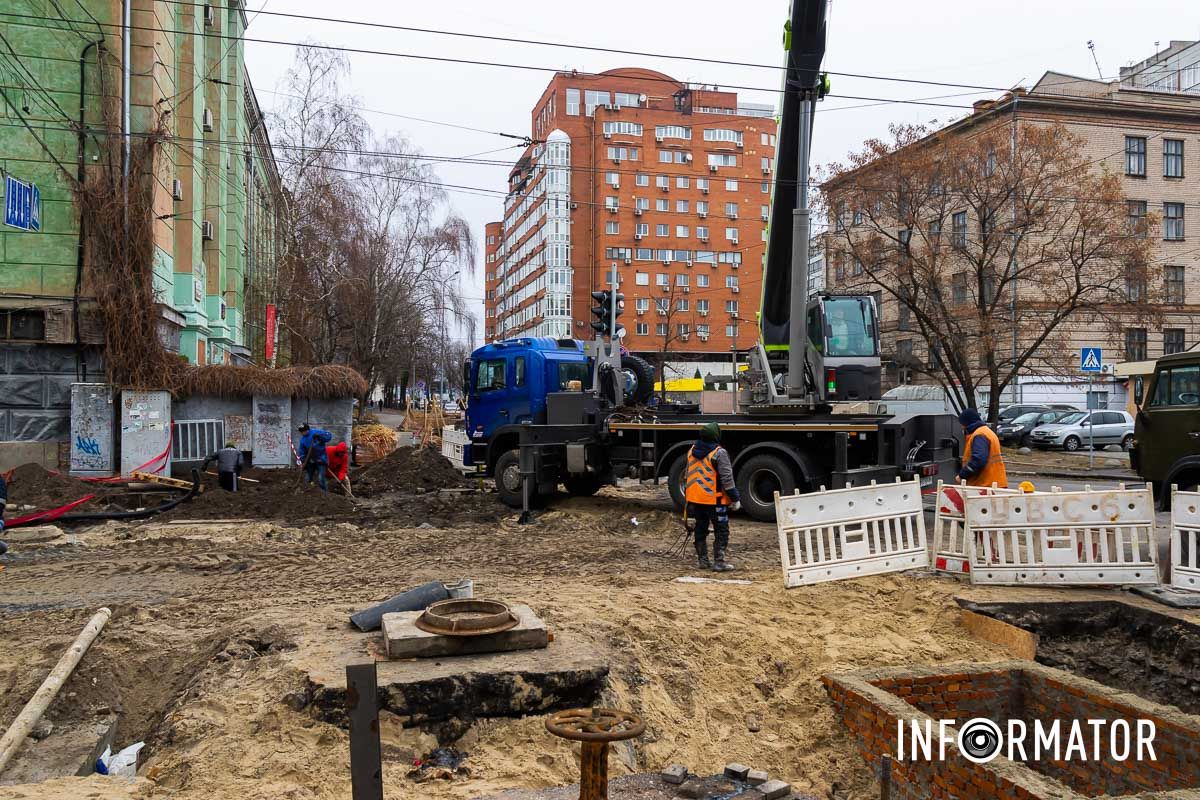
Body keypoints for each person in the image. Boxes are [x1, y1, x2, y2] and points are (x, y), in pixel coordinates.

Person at [683, 422, 742, 572]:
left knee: (700, 528)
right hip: (714, 501)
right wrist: (735, 498)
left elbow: (687, 476)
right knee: (721, 530)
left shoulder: (691, 451)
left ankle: (703, 560)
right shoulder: (719, 453)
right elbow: (727, 479)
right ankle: (719, 562)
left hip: (695, 500)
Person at [957, 408, 1008, 488]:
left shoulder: (979, 435)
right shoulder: (985, 432)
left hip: (986, 485)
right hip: (993, 484)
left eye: (962, 424)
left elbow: (978, 460)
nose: (961, 427)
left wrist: (962, 475)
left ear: (966, 423)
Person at [297, 424, 332, 492]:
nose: (301, 433)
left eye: (302, 431)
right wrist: (303, 460)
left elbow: (329, 436)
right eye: (300, 432)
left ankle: (324, 493)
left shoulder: (316, 432)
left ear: (307, 430)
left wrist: (320, 436)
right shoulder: (303, 440)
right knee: (308, 477)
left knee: (321, 478)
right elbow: (301, 451)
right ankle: (307, 491)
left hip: (321, 459)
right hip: (310, 460)